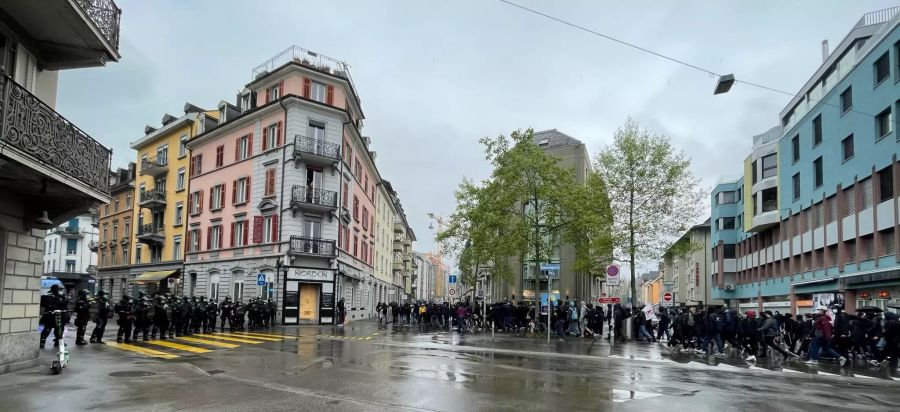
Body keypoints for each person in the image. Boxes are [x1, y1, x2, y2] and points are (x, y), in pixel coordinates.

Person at [39, 284, 69, 348]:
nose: (61, 291)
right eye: (60, 289)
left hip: (60, 316)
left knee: (60, 329)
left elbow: (64, 306)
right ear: (55, 290)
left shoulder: (63, 297)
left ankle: (58, 341)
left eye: (62, 289)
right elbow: (42, 305)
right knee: (46, 328)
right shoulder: (48, 296)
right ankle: (42, 341)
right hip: (50, 315)